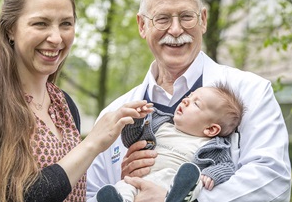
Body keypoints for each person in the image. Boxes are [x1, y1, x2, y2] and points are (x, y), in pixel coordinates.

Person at [0, 0, 154, 202]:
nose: (56, 37)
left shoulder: (64, 105)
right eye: (40, 24)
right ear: (10, 28)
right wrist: (91, 144)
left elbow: (72, 189)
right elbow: (8, 196)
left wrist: (123, 186)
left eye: (66, 24)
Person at [86, 0, 292, 202]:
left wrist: (183, 199)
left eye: (186, 16)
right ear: (142, 25)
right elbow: (90, 194)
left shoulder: (251, 92)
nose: (175, 30)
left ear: (203, 20)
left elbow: (273, 181)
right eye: (162, 18)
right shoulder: (113, 115)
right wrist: (124, 184)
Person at [96, 84, 246, 202]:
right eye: (189, 96)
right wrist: (136, 120)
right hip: (143, 180)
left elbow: (226, 166)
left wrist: (211, 174)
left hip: (171, 182)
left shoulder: (212, 146)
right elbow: (132, 141)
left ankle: (178, 196)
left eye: (196, 103)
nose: (186, 100)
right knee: (124, 185)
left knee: (194, 182)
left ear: (211, 129)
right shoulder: (160, 126)